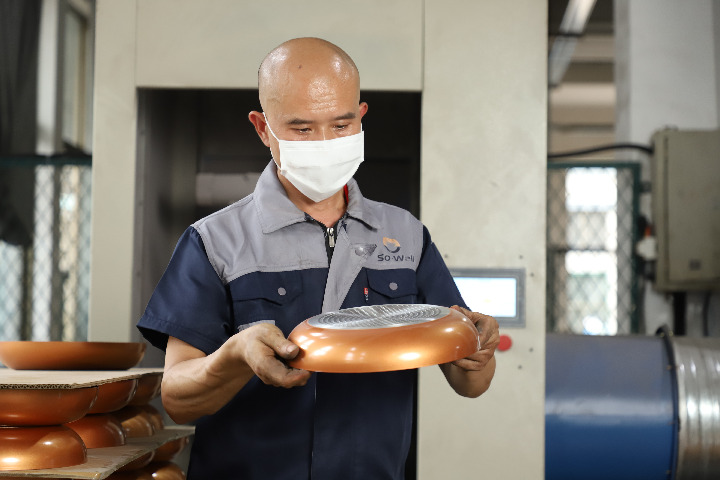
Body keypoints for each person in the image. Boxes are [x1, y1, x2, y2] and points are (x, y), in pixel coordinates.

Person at [137, 37, 499, 479]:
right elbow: (176, 396)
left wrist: (478, 351)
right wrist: (234, 356)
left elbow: (470, 382)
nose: (325, 143)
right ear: (262, 127)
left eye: (341, 126)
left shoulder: (405, 236)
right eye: (302, 129)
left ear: (361, 117)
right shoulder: (215, 242)